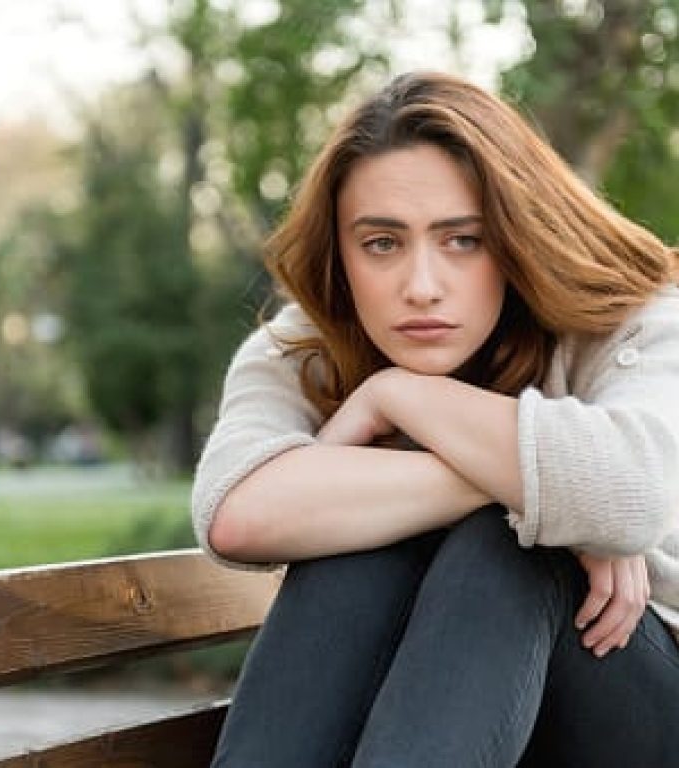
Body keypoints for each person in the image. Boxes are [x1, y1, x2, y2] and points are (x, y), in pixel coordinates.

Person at [191, 71, 679, 767]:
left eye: (462, 241)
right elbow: (236, 514)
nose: (421, 288)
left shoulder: (633, 315)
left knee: (506, 548)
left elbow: (632, 490)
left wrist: (399, 397)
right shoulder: (305, 346)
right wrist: (542, 488)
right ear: (342, 252)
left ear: (518, 235)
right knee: (364, 543)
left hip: (636, 707)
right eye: (382, 243)